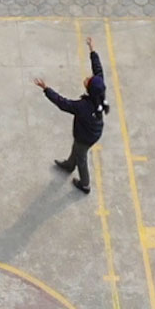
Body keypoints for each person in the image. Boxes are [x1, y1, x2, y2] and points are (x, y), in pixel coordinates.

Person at [34, 35, 109, 194]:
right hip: (93, 132)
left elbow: (63, 103)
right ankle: (69, 165)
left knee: (81, 157)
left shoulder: (83, 107)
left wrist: (46, 89)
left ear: (89, 89)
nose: (87, 78)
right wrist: (92, 49)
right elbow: (98, 69)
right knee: (77, 149)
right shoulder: (99, 92)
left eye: (88, 81)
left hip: (85, 137)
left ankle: (85, 184)